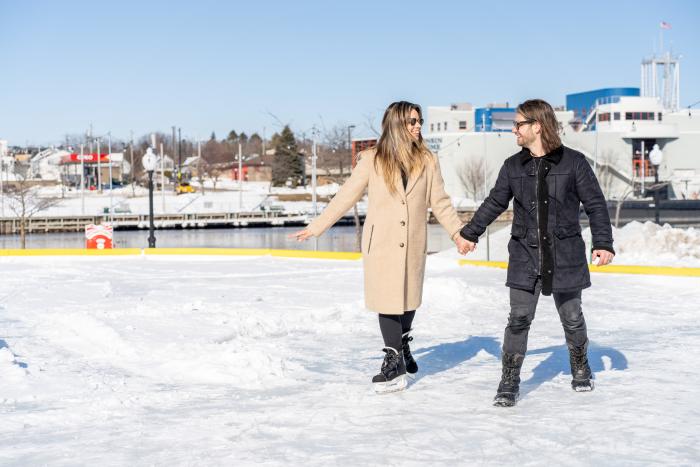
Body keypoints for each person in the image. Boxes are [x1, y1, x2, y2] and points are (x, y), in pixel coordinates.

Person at [292, 101, 471, 393]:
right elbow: (345, 196)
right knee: (388, 300)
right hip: (382, 243)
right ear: (396, 125)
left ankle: (402, 344)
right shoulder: (373, 159)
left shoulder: (428, 159)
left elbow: (439, 201)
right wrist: (317, 226)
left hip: (413, 241)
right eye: (411, 122)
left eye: (419, 121)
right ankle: (393, 361)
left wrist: (457, 234)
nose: (417, 126)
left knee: (409, 299)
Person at [458, 99, 615, 407]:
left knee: (572, 317)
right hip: (524, 254)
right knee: (518, 318)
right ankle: (510, 378)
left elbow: (595, 204)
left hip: (565, 253)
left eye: (518, 124)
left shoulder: (574, 163)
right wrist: (469, 233)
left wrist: (603, 242)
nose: (513, 130)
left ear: (537, 126)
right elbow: (494, 203)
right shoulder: (512, 166)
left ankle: (580, 364)